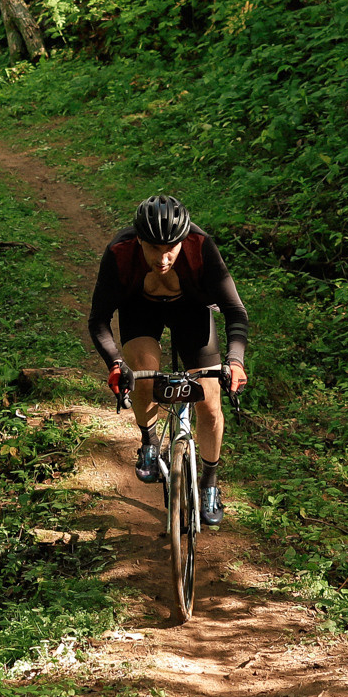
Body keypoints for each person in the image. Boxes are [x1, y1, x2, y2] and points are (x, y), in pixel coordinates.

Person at [87, 194, 250, 524]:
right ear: (139, 241)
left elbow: (235, 311)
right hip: (140, 311)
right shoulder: (120, 252)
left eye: (170, 249)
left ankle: (210, 483)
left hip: (192, 311)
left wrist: (235, 361)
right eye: (153, 248)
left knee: (210, 402)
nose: (163, 258)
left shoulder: (201, 247)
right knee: (144, 373)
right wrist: (117, 365)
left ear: (183, 239)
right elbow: (99, 319)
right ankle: (148, 441)